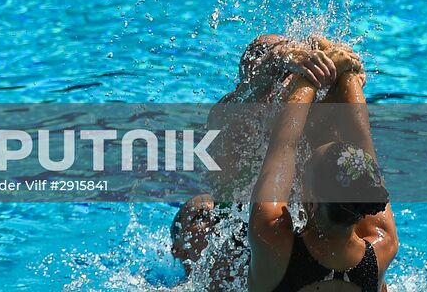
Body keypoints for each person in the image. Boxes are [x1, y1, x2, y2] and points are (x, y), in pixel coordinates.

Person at [170, 33, 366, 287]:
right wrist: (292, 57)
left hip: (290, 239)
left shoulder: (312, 117)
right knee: (197, 210)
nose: (285, 86)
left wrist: (343, 71)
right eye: (283, 72)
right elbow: (259, 62)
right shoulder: (234, 116)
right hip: (247, 235)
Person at [248, 65, 398, 292]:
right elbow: (362, 137)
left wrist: (309, 76)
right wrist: (349, 76)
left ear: (311, 197)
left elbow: (283, 146)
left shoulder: (272, 240)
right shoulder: (383, 246)